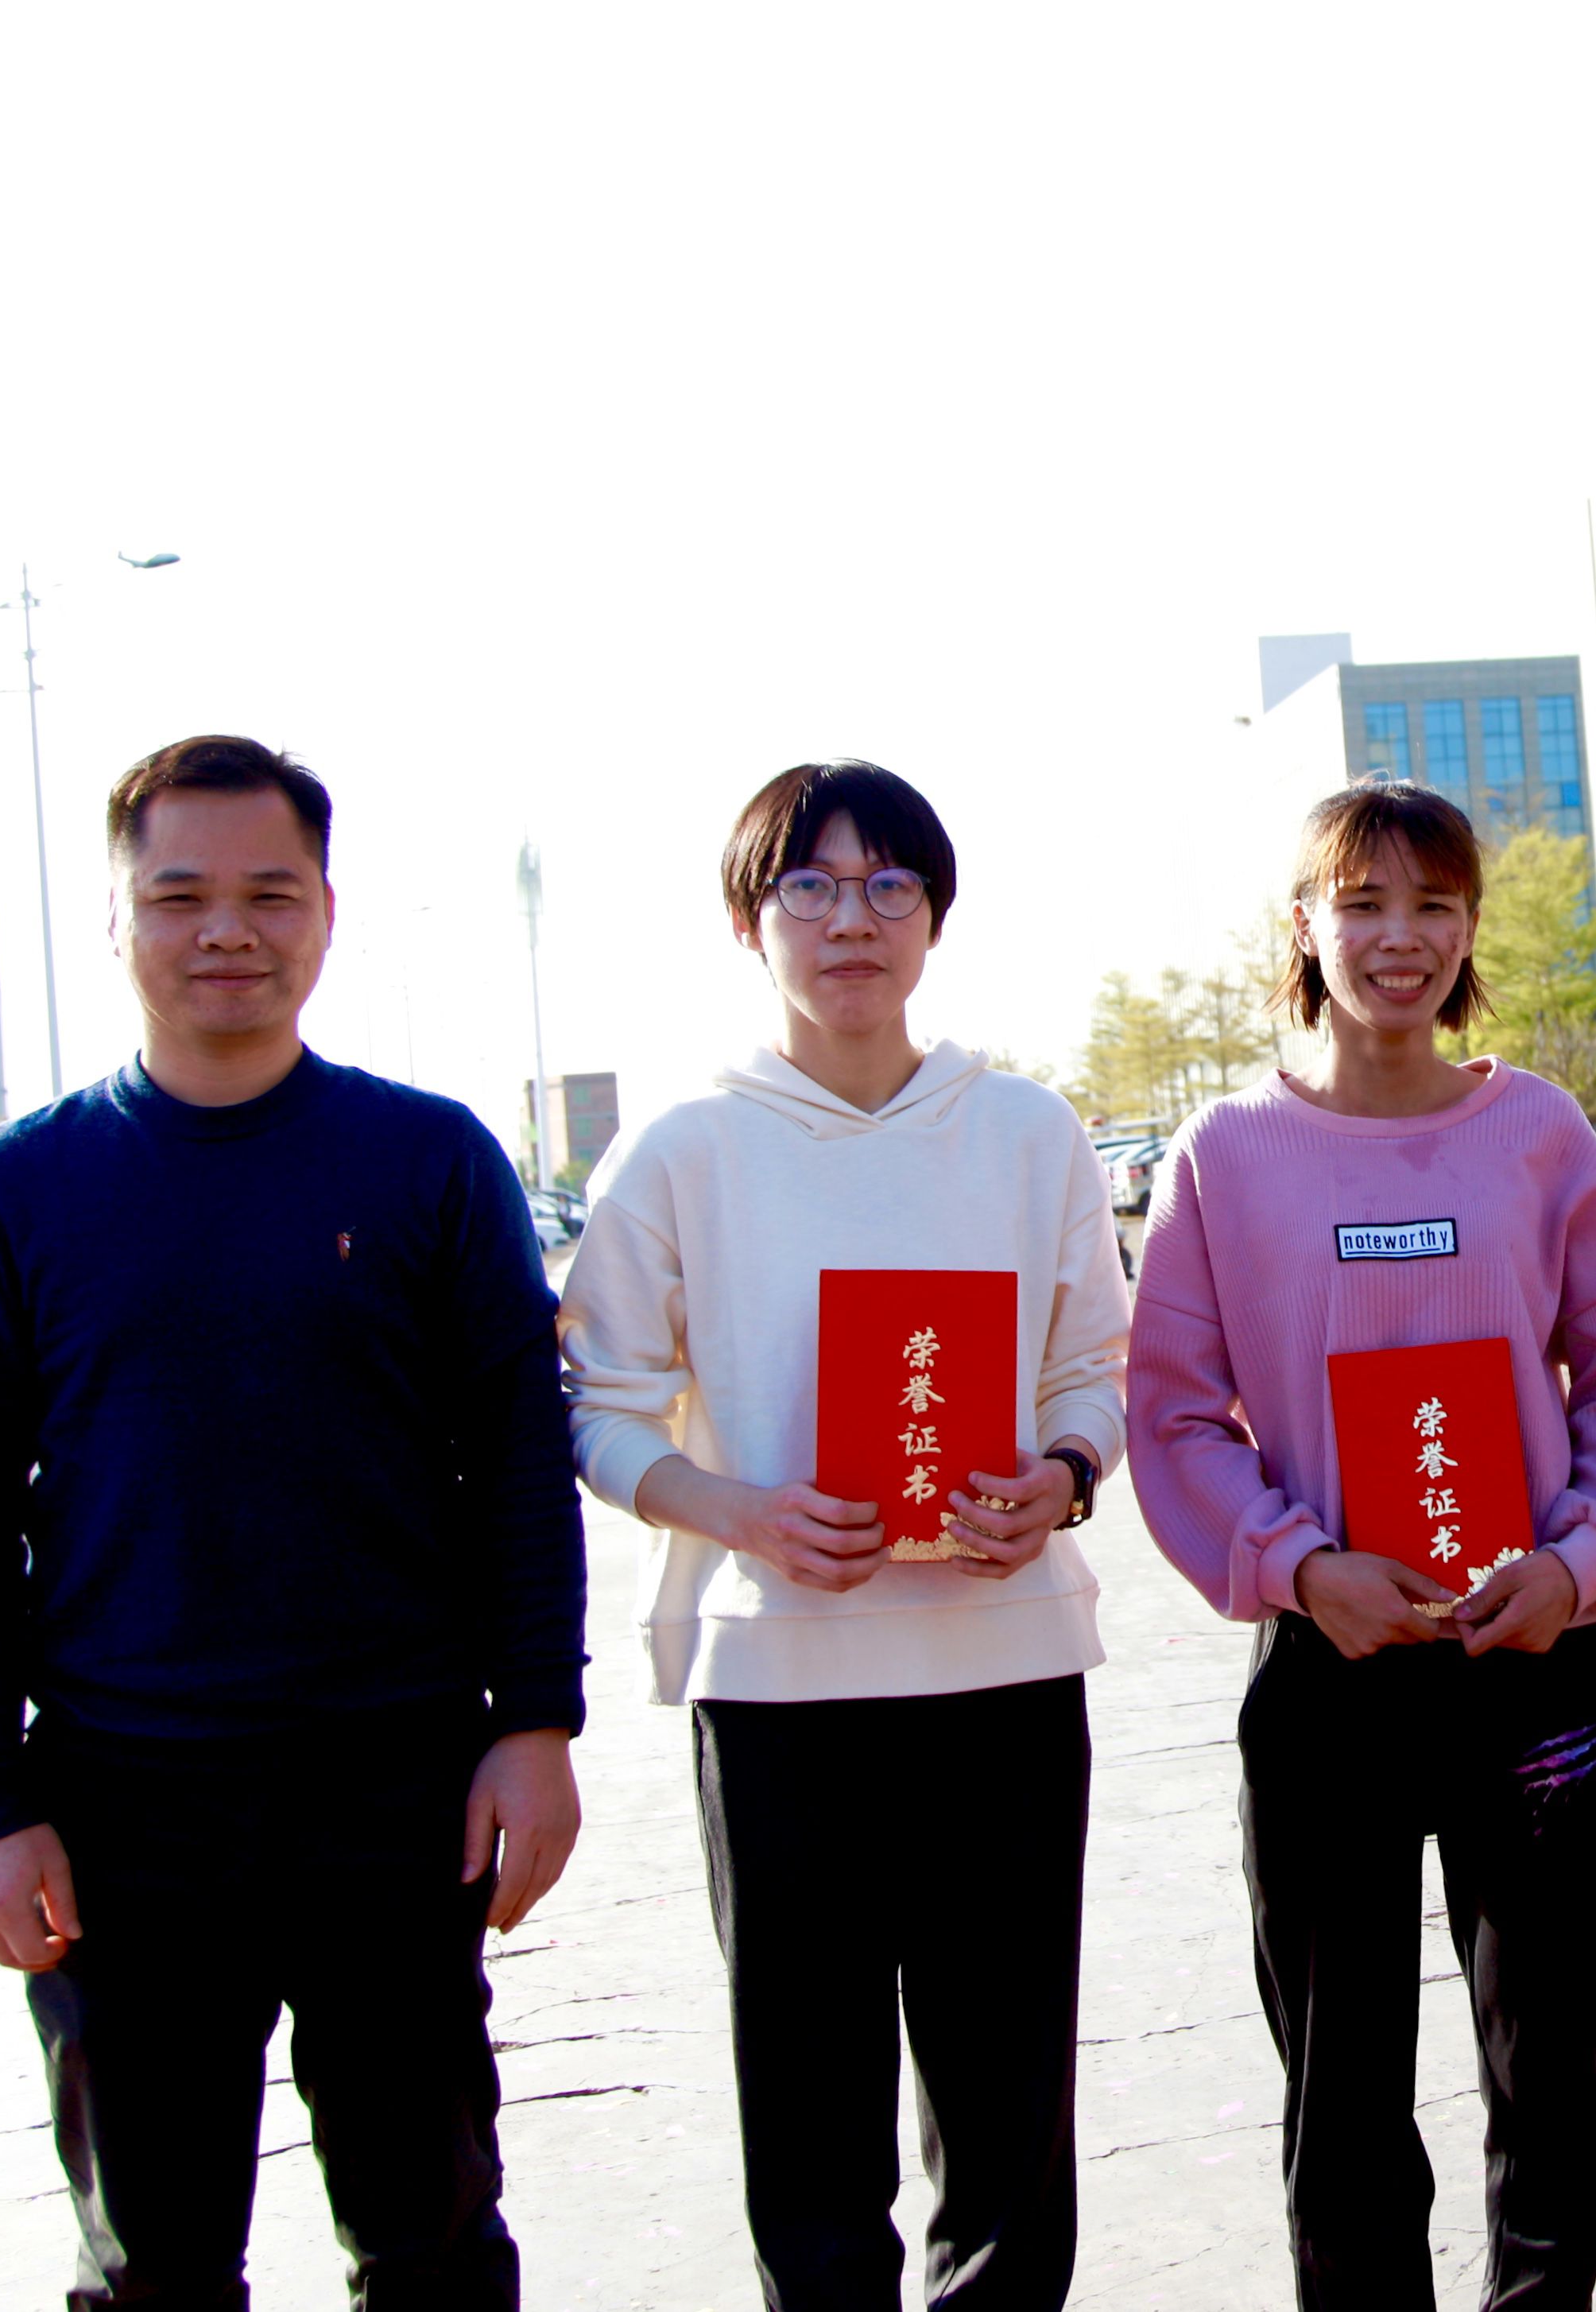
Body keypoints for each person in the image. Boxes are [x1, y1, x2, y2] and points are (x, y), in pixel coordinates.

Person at [0, 735, 587, 2310]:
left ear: (325, 913)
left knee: (430, 2238)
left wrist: (533, 1720)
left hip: (394, 1789)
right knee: (153, 2261)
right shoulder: (14, 1193)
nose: (227, 929)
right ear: (118, 920)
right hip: (122, 1813)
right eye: (179, 895)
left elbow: (513, 1462)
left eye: (270, 893)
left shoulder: (425, 1161)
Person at [557, 760, 1129, 2312]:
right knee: (809, 2127)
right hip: (778, 1693)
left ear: (934, 916)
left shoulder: (1023, 1131)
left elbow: (1092, 1368)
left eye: (887, 884)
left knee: (1008, 2118)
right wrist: (732, 1507)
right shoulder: (679, 1149)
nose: (849, 918)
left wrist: (1062, 1473)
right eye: (805, 885)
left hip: (1003, 1674)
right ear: (750, 924)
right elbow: (598, 1406)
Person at [1126, 781, 1596, 2307]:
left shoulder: (1537, 1133)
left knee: (1548, 2084)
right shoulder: (1224, 1151)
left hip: (1532, 1660)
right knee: (1342, 2104)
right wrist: (1295, 1564)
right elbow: (1170, 1411)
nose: (1398, 936)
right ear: (1302, 925)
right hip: (1329, 1676)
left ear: (1467, 929)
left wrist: (1578, 1560)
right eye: (1360, 902)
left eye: (1432, 904)